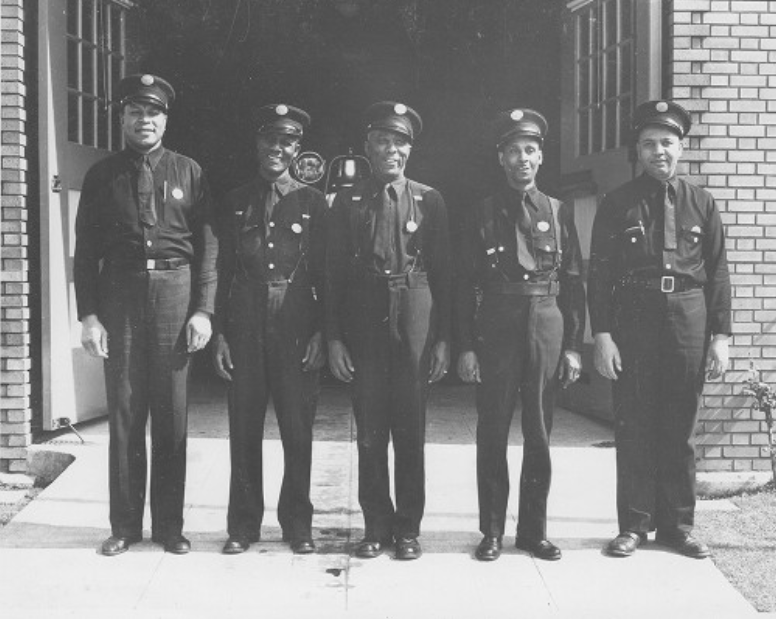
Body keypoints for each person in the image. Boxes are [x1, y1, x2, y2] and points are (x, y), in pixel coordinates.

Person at [74, 74, 217, 556]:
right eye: (135, 112)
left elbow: (209, 249)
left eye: (153, 112)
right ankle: (125, 526)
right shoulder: (101, 175)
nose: (145, 121)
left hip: (175, 292)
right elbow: (84, 252)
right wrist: (89, 316)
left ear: (165, 119)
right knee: (126, 411)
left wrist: (202, 310)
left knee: (172, 413)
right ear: (122, 118)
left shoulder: (190, 171)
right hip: (120, 292)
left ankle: (170, 527)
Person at [587, 100, 731, 559]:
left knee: (679, 427)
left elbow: (720, 272)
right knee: (634, 423)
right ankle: (634, 524)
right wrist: (603, 334)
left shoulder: (702, 202)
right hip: (634, 317)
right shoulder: (617, 203)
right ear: (638, 151)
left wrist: (721, 337)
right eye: (648, 144)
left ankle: (677, 527)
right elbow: (600, 275)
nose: (658, 151)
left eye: (667, 143)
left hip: (689, 315)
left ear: (682, 147)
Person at [456, 108, 586, 562]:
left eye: (530, 150)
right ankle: (491, 530)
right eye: (513, 150)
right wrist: (467, 345)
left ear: (541, 157)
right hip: (497, 324)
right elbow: (463, 283)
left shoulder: (558, 211)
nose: (522, 159)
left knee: (540, 431)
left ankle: (534, 530)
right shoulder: (482, 212)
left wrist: (572, 346)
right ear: (500, 157)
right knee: (492, 430)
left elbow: (573, 281)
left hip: (547, 323)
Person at [325, 101, 452, 561]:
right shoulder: (347, 199)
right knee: (370, 429)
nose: (391, 149)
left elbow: (444, 274)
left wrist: (443, 339)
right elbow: (332, 274)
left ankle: (408, 529)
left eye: (400, 142)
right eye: (383, 140)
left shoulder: (429, 199)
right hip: (364, 312)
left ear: (410, 149)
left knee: (411, 427)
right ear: (367, 147)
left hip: (415, 309)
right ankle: (375, 526)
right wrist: (335, 336)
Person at [213, 104, 327, 555]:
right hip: (245, 319)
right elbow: (220, 269)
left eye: (286, 142)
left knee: (297, 429)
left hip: (296, 321)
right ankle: (243, 525)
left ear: (297, 149)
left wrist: (322, 332)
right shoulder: (235, 200)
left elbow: (326, 273)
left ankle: (298, 523)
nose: (276, 149)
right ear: (257, 145)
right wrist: (220, 331)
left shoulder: (314, 202)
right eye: (270, 140)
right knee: (244, 426)